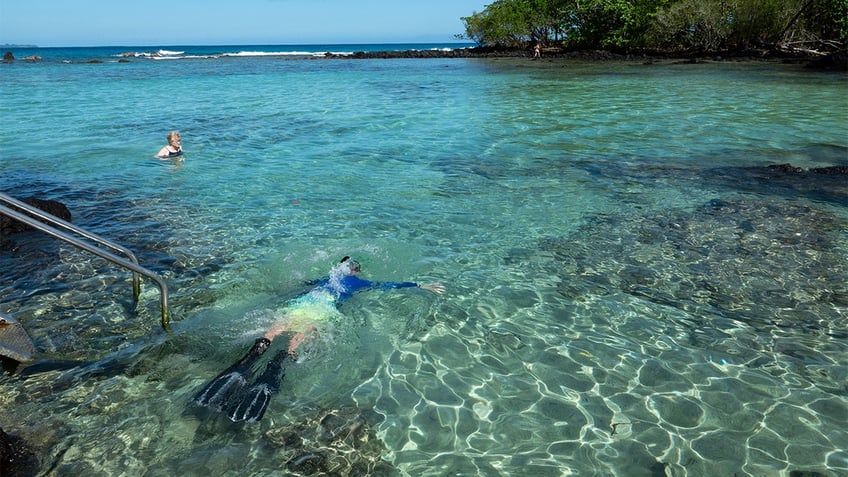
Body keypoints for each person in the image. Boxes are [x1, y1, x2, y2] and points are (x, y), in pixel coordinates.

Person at [193, 256, 445, 422]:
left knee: (276, 329)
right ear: (356, 271)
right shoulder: (357, 283)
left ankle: (249, 359)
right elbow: (387, 285)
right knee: (298, 340)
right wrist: (419, 285)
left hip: (302, 304)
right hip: (322, 312)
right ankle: (275, 369)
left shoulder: (326, 279)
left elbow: (301, 284)